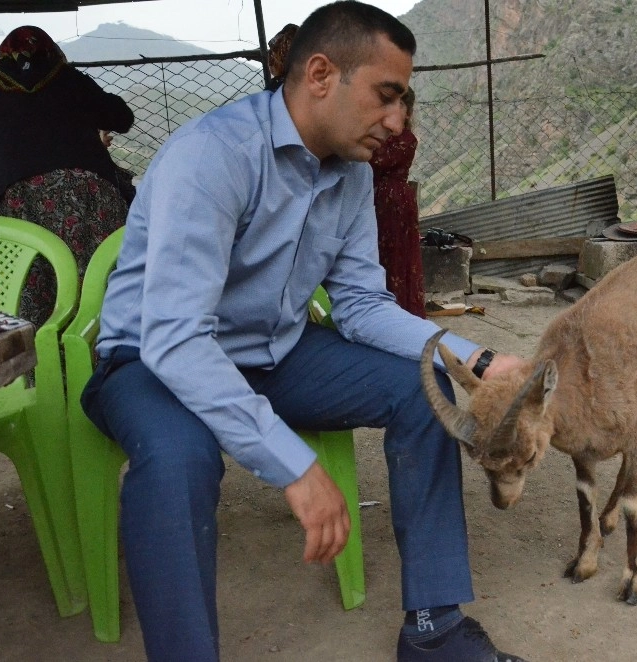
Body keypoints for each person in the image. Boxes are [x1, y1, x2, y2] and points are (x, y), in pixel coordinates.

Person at [80, 2, 529, 661]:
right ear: (321, 74)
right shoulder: (211, 157)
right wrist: (294, 464)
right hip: (150, 360)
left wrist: (476, 358)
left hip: (271, 352)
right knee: (180, 456)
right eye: (386, 96)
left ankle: (434, 631)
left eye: (403, 101)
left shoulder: (349, 177)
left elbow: (361, 306)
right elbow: (176, 340)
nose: (398, 121)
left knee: (422, 383)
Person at [0, 25, 134, 327]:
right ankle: (110, 362)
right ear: (52, 52)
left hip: (21, 208)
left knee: (36, 297)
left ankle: (45, 368)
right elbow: (122, 118)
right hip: (88, 196)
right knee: (102, 288)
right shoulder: (68, 78)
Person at [370, 86, 426, 317]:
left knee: (398, 255)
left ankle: (402, 311)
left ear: (409, 113)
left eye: (400, 105)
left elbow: (377, 162)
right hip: (378, 200)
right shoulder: (381, 135)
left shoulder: (406, 139)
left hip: (394, 202)